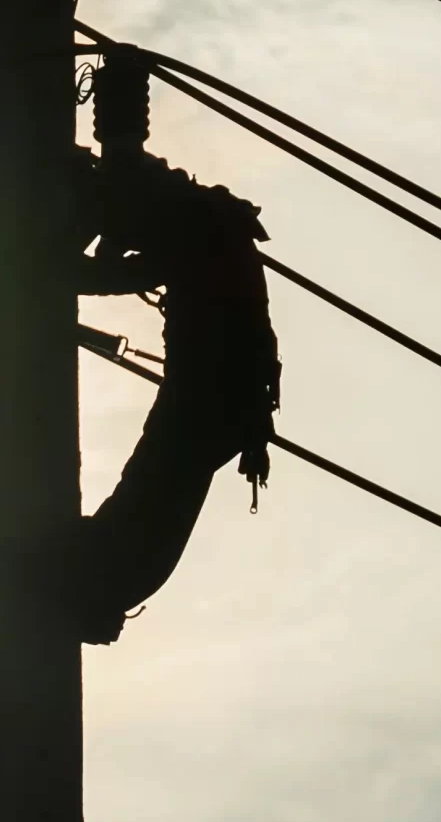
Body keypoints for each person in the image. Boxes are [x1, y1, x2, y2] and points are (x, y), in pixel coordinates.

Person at [68, 111, 281, 643]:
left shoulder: (129, 572)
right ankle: (109, 151)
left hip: (215, 396)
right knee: (162, 468)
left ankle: (107, 154)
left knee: (162, 466)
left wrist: (47, 271)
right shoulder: (127, 571)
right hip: (216, 394)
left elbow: (112, 271)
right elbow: (118, 268)